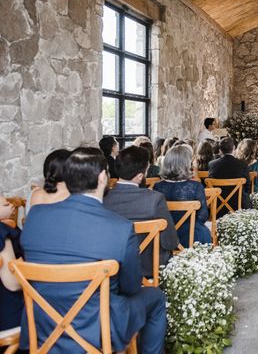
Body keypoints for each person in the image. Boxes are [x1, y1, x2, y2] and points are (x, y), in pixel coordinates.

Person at [19, 147, 166, 353]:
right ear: (102, 178)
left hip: (41, 327)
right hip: (98, 330)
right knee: (156, 297)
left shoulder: (36, 217)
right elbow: (131, 287)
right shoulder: (120, 228)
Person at [104, 146, 179, 278]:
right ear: (139, 176)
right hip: (148, 269)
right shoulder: (155, 199)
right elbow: (170, 242)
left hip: (111, 269)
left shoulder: (104, 199)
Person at [154, 145, 211, 246]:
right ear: (186, 164)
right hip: (191, 237)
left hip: (164, 236)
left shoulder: (157, 187)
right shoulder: (195, 186)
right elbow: (203, 216)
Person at [208, 137, 252, 217]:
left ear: (220, 150)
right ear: (234, 148)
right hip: (237, 206)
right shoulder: (242, 164)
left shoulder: (212, 165)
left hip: (217, 207)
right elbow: (247, 186)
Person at [0, 194, 23, 331]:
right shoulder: (1, 231)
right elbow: (13, 283)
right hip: (11, 315)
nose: (12, 206)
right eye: (6, 205)